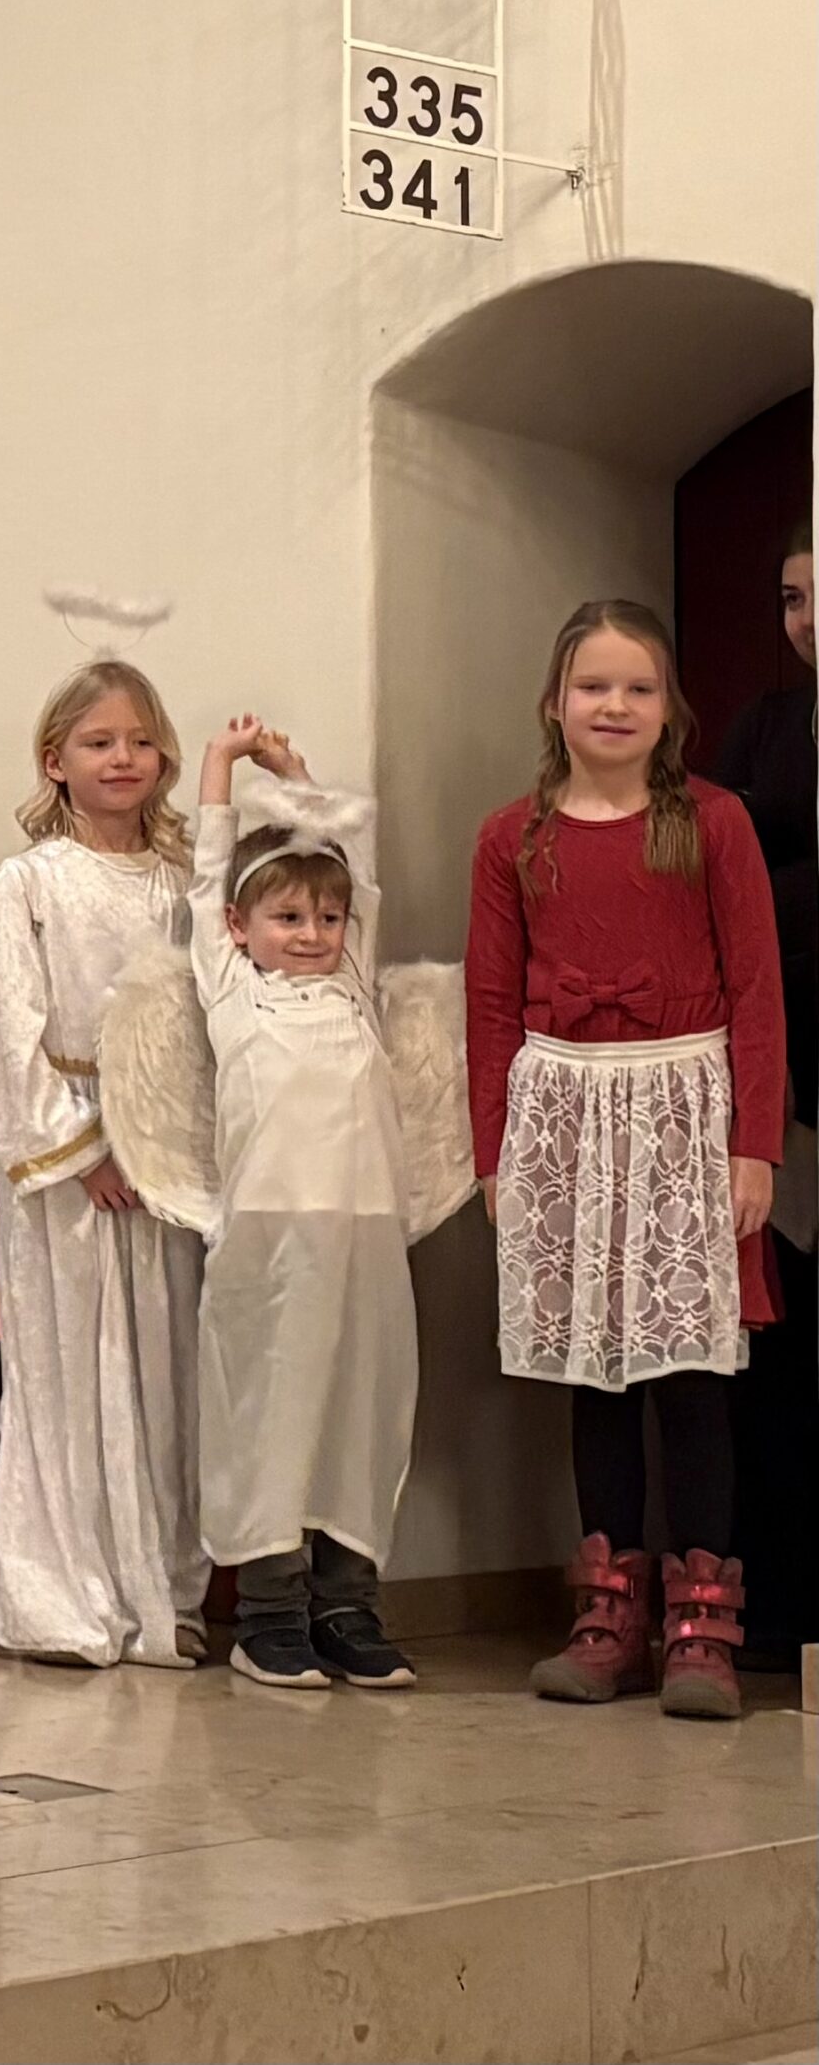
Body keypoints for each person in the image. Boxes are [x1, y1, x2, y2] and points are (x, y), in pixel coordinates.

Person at [468, 599, 785, 1722]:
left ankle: (702, 1623)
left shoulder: (714, 823)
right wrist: (496, 1153)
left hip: (685, 1110)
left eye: (637, 687)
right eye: (593, 686)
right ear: (554, 702)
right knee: (591, 1372)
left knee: (689, 1373)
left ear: (669, 708)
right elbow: (488, 1003)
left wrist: (754, 1145)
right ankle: (607, 1615)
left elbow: (757, 988)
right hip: (562, 1112)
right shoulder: (512, 837)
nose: (614, 705)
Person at [0, 660, 206, 1669]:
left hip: (167, 1164)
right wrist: (82, 1149)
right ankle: (64, 1596)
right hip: (71, 1171)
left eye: (140, 740)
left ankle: (166, 1591)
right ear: (54, 758)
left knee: (164, 1380)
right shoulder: (28, 883)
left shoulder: (183, 885)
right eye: (100, 741)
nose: (122, 758)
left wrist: (167, 1142)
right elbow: (5, 1028)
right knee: (72, 1375)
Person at [188, 718, 419, 1692]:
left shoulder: (351, 989)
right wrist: (221, 767)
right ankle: (270, 1614)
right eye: (287, 917)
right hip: (270, 1241)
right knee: (273, 1415)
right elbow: (209, 873)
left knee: (358, 1411)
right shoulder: (233, 993)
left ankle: (347, 1605)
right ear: (238, 928)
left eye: (326, 919)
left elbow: (353, 866)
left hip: (363, 1237)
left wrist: (295, 778)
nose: (313, 934)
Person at [717, 526, 816, 1669]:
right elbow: (723, 876)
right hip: (783, 1078)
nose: (805, 620)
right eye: (790, 597)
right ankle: (777, 1606)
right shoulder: (765, 724)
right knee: (779, 1350)